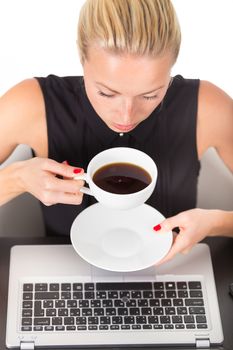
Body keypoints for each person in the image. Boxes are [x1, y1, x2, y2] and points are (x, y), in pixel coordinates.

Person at [0, 0, 232, 262]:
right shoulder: (29, 104)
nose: (126, 116)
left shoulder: (209, 107)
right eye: (106, 93)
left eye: (150, 95)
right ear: (81, 58)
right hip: (64, 276)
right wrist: (16, 179)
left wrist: (215, 222)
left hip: (170, 272)